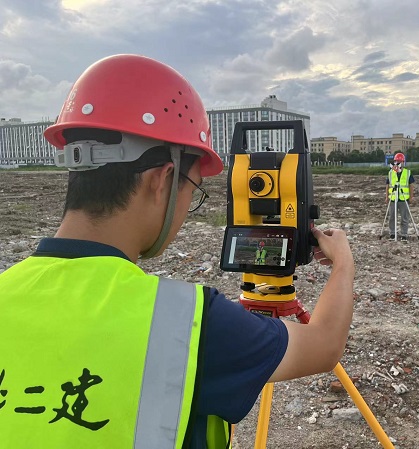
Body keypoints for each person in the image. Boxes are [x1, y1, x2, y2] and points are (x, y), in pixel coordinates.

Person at [0, 54, 355, 449]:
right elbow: (323, 344)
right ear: (162, 179)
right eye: (194, 188)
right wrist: (343, 265)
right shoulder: (186, 325)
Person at [385, 152, 415, 241]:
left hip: (403, 198)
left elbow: (411, 185)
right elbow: (387, 185)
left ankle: (404, 234)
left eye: (399, 161)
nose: (397, 163)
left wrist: (411, 197)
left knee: (404, 218)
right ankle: (392, 234)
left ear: (403, 162)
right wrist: (387, 197)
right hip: (393, 198)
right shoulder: (391, 173)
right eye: (396, 161)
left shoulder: (407, 172)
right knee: (392, 217)